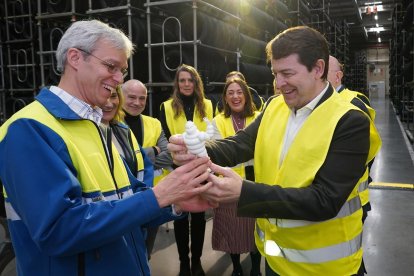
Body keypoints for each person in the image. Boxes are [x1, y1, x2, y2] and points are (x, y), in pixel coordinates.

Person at [0, 19, 214, 276]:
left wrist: (176, 202)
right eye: (111, 66)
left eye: (122, 70)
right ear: (75, 58)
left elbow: (126, 196)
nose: (119, 79)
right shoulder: (28, 128)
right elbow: (59, 230)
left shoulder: (95, 124)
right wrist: (158, 196)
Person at [168, 26, 382, 275]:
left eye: (287, 73)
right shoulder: (275, 106)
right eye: (275, 73)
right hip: (276, 260)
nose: (279, 84)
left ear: (318, 69)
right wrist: (198, 149)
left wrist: (244, 192)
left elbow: (324, 200)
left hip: (325, 268)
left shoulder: (350, 120)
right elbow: (242, 143)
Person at [159, 64, 214, 276]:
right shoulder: (166, 107)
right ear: (177, 83)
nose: (186, 84)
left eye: (190, 80)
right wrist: (180, 166)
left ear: (196, 83)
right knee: (180, 218)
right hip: (178, 171)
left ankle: (197, 262)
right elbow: (165, 142)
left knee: (199, 219)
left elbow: (213, 137)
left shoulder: (209, 105)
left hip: (201, 171)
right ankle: (184, 263)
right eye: (182, 80)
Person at [211, 78, 261, 276]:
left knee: (255, 231)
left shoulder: (259, 117)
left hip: (254, 184)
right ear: (225, 98)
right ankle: (237, 266)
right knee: (230, 230)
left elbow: (263, 150)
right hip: (226, 186)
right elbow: (218, 152)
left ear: (246, 96)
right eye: (230, 93)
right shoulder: (218, 121)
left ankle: (256, 269)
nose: (235, 96)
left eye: (239, 92)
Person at [121, 79, 174, 259]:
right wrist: (152, 151)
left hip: (153, 194)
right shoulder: (109, 123)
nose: (137, 103)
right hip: (122, 198)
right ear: (120, 96)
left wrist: (134, 159)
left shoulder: (154, 123)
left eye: (142, 98)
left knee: (146, 252)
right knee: (126, 253)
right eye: (132, 97)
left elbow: (169, 154)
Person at [328, 55, 376, 222]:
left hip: (352, 196)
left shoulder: (354, 103)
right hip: (325, 198)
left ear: (338, 76)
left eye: (323, 72)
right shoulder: (322, 103)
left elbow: (368, 152)